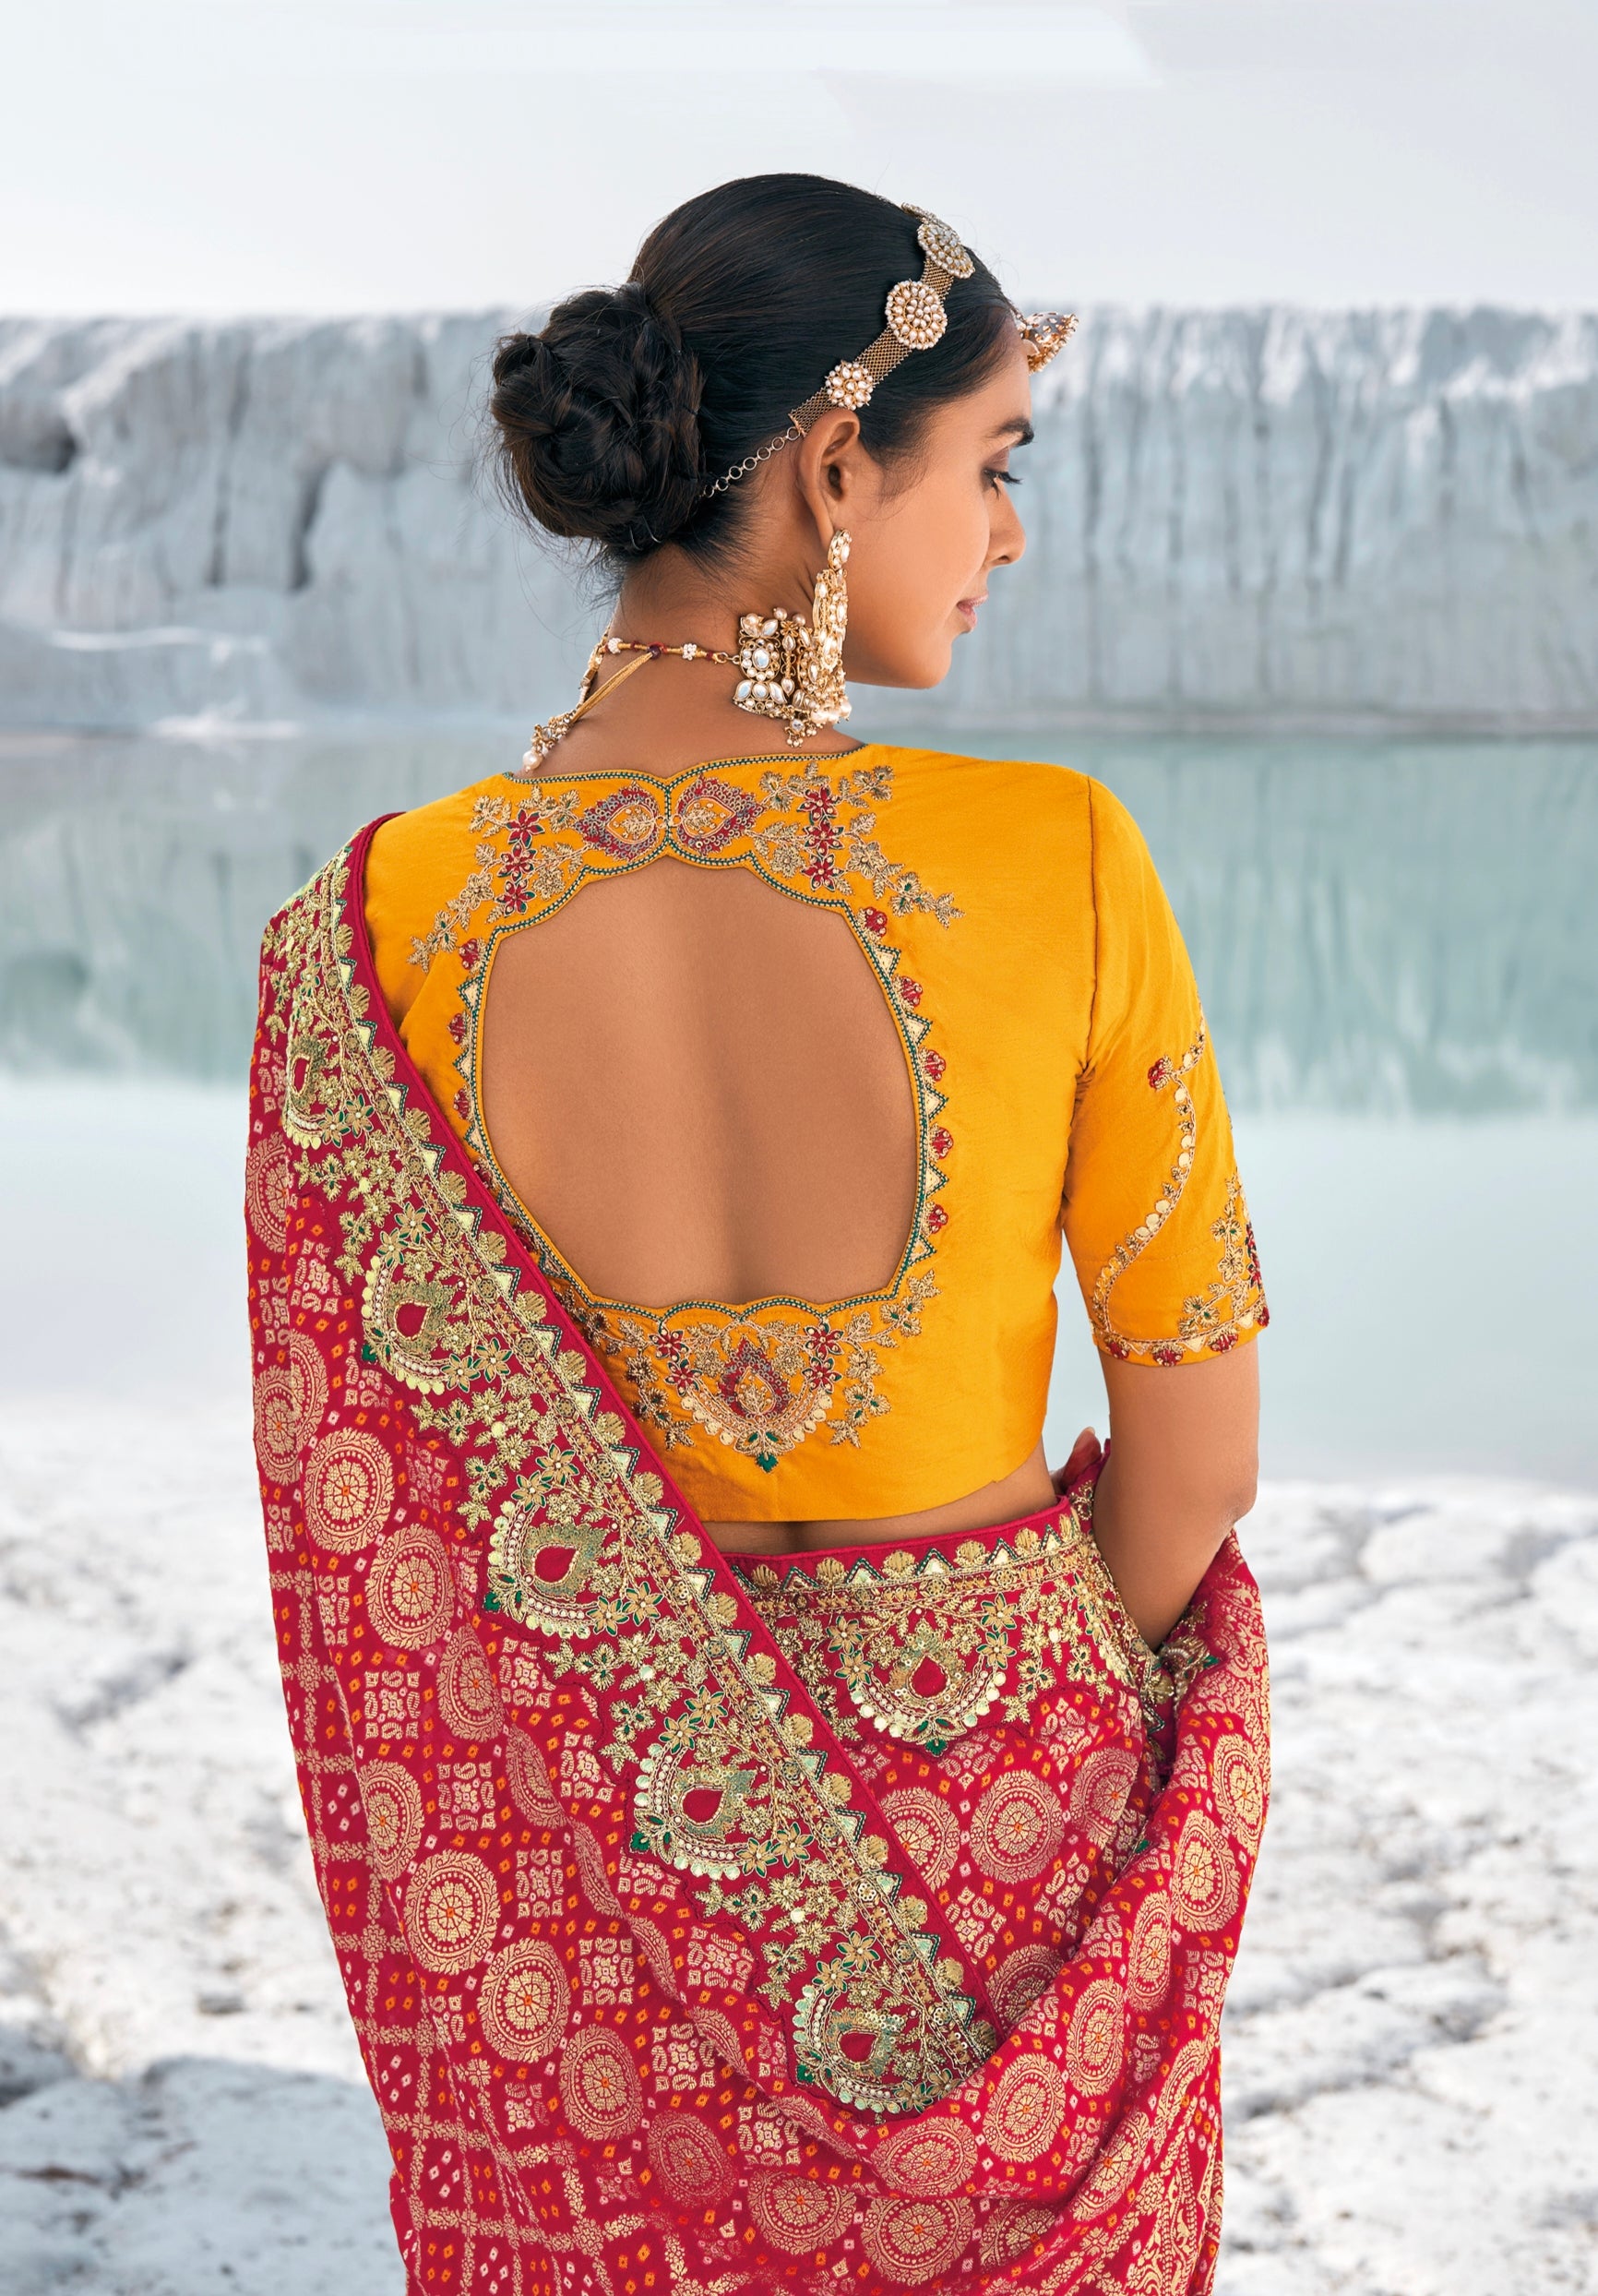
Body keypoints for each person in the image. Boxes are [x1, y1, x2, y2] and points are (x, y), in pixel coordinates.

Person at [247, 174, 1270, 2294]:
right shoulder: (1059, 857)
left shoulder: (368, 927)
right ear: (831, 469)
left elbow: (380, 1557)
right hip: (1013, 1864)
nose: (1003, 535)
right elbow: (1194, 1463)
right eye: (989, 464)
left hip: (588, 1893)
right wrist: (991, 1706)